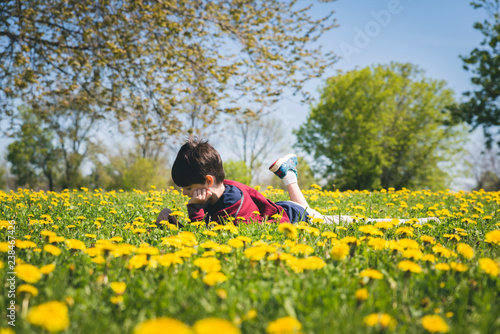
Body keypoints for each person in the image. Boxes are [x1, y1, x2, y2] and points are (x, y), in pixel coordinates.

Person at [157, 138, 440, 225]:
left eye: (190, 189)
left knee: (356, 223)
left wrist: (183, 218)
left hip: (296, 219)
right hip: (287, 210)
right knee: (315, 211)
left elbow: (217, 235)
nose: (187, 195)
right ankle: (288, 174)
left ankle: (417, 223)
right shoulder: (220, 192)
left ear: (208, 180)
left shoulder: (233, 203)